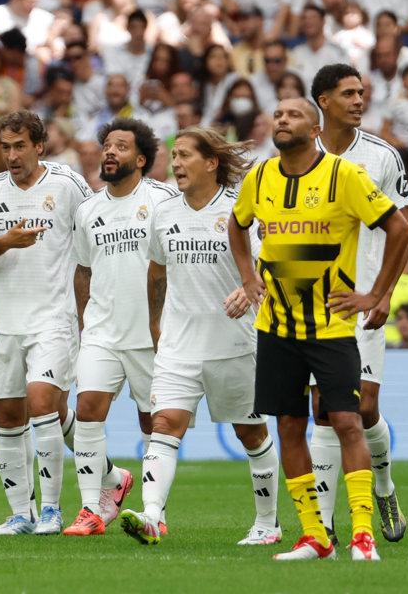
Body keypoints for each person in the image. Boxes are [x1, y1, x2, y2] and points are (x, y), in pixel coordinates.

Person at [228, 97, 408, 561]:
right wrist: (248, 278)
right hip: (276, 326)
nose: (281, 120)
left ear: (314, 127)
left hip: (330, 326)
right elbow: (237, 222)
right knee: (289, 425)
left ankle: (363, 535)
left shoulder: (343, 175)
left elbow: (400, 229)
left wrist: (376, 293)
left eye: (292, 114)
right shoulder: (261, 175)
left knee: (347, 421)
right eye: (278, 114)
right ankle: (314, 537)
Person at [119, 127, 281, 547]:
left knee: (251, 433)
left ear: (212, 163)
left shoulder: (239, 212)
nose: (176, 163)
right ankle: (152, 515)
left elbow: (274, 258)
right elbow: (157, 270)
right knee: (164, 425)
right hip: (178, 344)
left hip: (233, 344)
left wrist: (250, 287)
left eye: (186, 155)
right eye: (174, 156)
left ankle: (267, 524)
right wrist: (156, 324)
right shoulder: (165, 213)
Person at [0, 110, 125, 536]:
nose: (12, 154)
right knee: (8, 416)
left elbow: (97, 230)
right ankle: (22, 513)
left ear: (39, 145)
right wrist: (5, 242)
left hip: (53, 318)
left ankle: (54, 510)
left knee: (42, 402)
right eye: (5, 147)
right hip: (3, 318)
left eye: (20, 145)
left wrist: (94, 306)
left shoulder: (66, 183)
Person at [308, 63, 408, 546]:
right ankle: (325, 524)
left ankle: (385, 486)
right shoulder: (295, 156)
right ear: (323, 101)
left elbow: (403, 229)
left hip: (364, 298)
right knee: (324, 412)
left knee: (362, 407)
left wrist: (385, 291)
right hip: (311, 306)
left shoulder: (383, 156)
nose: (358, 100)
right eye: (348, 93)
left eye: (362, 92)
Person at [63, 118, 179, 537]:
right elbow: (82, 270)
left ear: (142, 158)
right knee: (89, 410)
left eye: (121, 147)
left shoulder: (165, 200)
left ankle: (154, 513)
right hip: (102, 332)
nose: (110, 152)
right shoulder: (88, 210)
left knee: (154, 425)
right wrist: (83, 323)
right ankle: (91, 508)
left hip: (153, 334)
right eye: (107, 146)